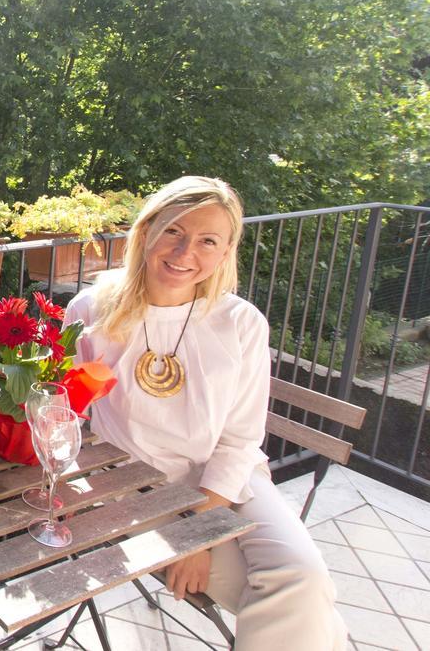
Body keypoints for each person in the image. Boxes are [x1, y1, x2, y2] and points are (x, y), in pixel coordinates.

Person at [64, 175, 347, 651]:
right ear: (148, 230)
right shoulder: (92, 310)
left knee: (301, 577)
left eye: (207, 240)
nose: (184, 252)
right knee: (297, 605)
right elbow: (67, 409)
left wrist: (198, 536)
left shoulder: (241, 323)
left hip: (230, 477)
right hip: (136, 485)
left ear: (225, 251)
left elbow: (239, 439)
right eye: (174, 230)